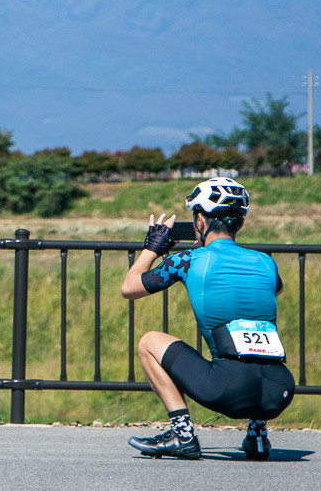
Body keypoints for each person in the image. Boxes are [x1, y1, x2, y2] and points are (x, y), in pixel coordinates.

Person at [119, 177, 295, 460]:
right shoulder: (266, 262)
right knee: (251, 336)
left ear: (200, 220)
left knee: (149, 342)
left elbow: (129, 288)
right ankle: (258, 436)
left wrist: (152, 248)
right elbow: (277, 288)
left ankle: (182, 435)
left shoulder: (188, 260)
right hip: (279, 391)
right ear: (241, 223)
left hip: (226, 390)